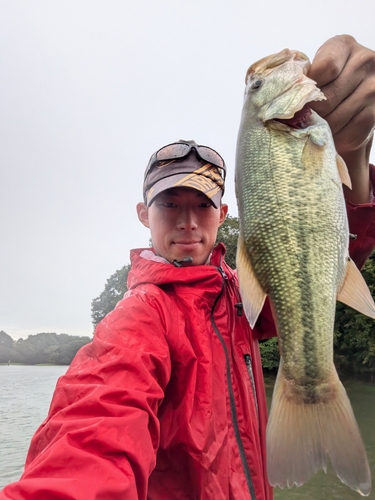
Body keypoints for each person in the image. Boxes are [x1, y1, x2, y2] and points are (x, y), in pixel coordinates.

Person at [1, 34, 375, 500]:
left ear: (222, 216)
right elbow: (93, 434)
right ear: (144, 215)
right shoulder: (138, 322)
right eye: (169, 204)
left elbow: (324, 264)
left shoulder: (239, 300)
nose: (186, 221)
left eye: (201, 204)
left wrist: (356, 156)